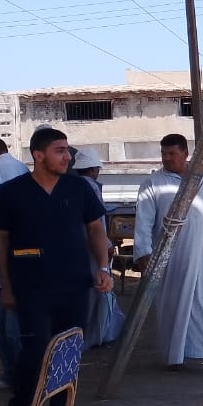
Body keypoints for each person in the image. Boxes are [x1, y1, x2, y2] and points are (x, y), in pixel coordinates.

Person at [0, 128, 112, 406]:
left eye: (67, 150)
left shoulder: (78, 189)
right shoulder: (12, 193)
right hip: (30, 288)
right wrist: (6, 286)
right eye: (60, 150)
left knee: (68, 353)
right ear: (38, 155)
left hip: (74, 286)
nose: (67, 156)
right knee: (34, 352)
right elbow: (1, 240)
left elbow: (96, 230)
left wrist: (103, 267)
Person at [134, 134, 203, 372]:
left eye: (171, 153)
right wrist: (143, 252)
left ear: (185, 153)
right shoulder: (153, 183)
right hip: (170, 258)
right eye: (163, 153)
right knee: (173, 307)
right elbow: (143, 221)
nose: (166, 158)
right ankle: (174, 357)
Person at [72, 149, 119, 349]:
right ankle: (93, 336)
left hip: (78, 248)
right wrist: (107, 247)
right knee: (96, 291)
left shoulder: (72, 186)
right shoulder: (90, 188)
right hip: (92, 249)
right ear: (93, 169)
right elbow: (97, 223)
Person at [0, 139, 28, 389]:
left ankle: (16, 375)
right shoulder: (22, 168)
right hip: (22, 260)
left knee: (9, 326)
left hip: (5, 267)